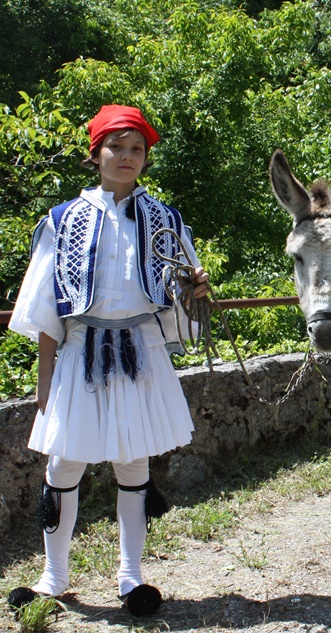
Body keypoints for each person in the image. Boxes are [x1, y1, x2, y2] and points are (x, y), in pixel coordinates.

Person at [7, 105, 209, 616]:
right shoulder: (62, 220)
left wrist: (196, 293)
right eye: (116, 146)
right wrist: (43, 383)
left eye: (136, 148)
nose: (126, 156)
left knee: (133, 462)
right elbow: (46, 308)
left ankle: (131, 578)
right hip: (79, 355)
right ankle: (53, 577)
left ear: (145, 157)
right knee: (63, 463)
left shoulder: (166, 220)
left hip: (140, 354)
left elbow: (183, 300)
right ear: (95, 153)